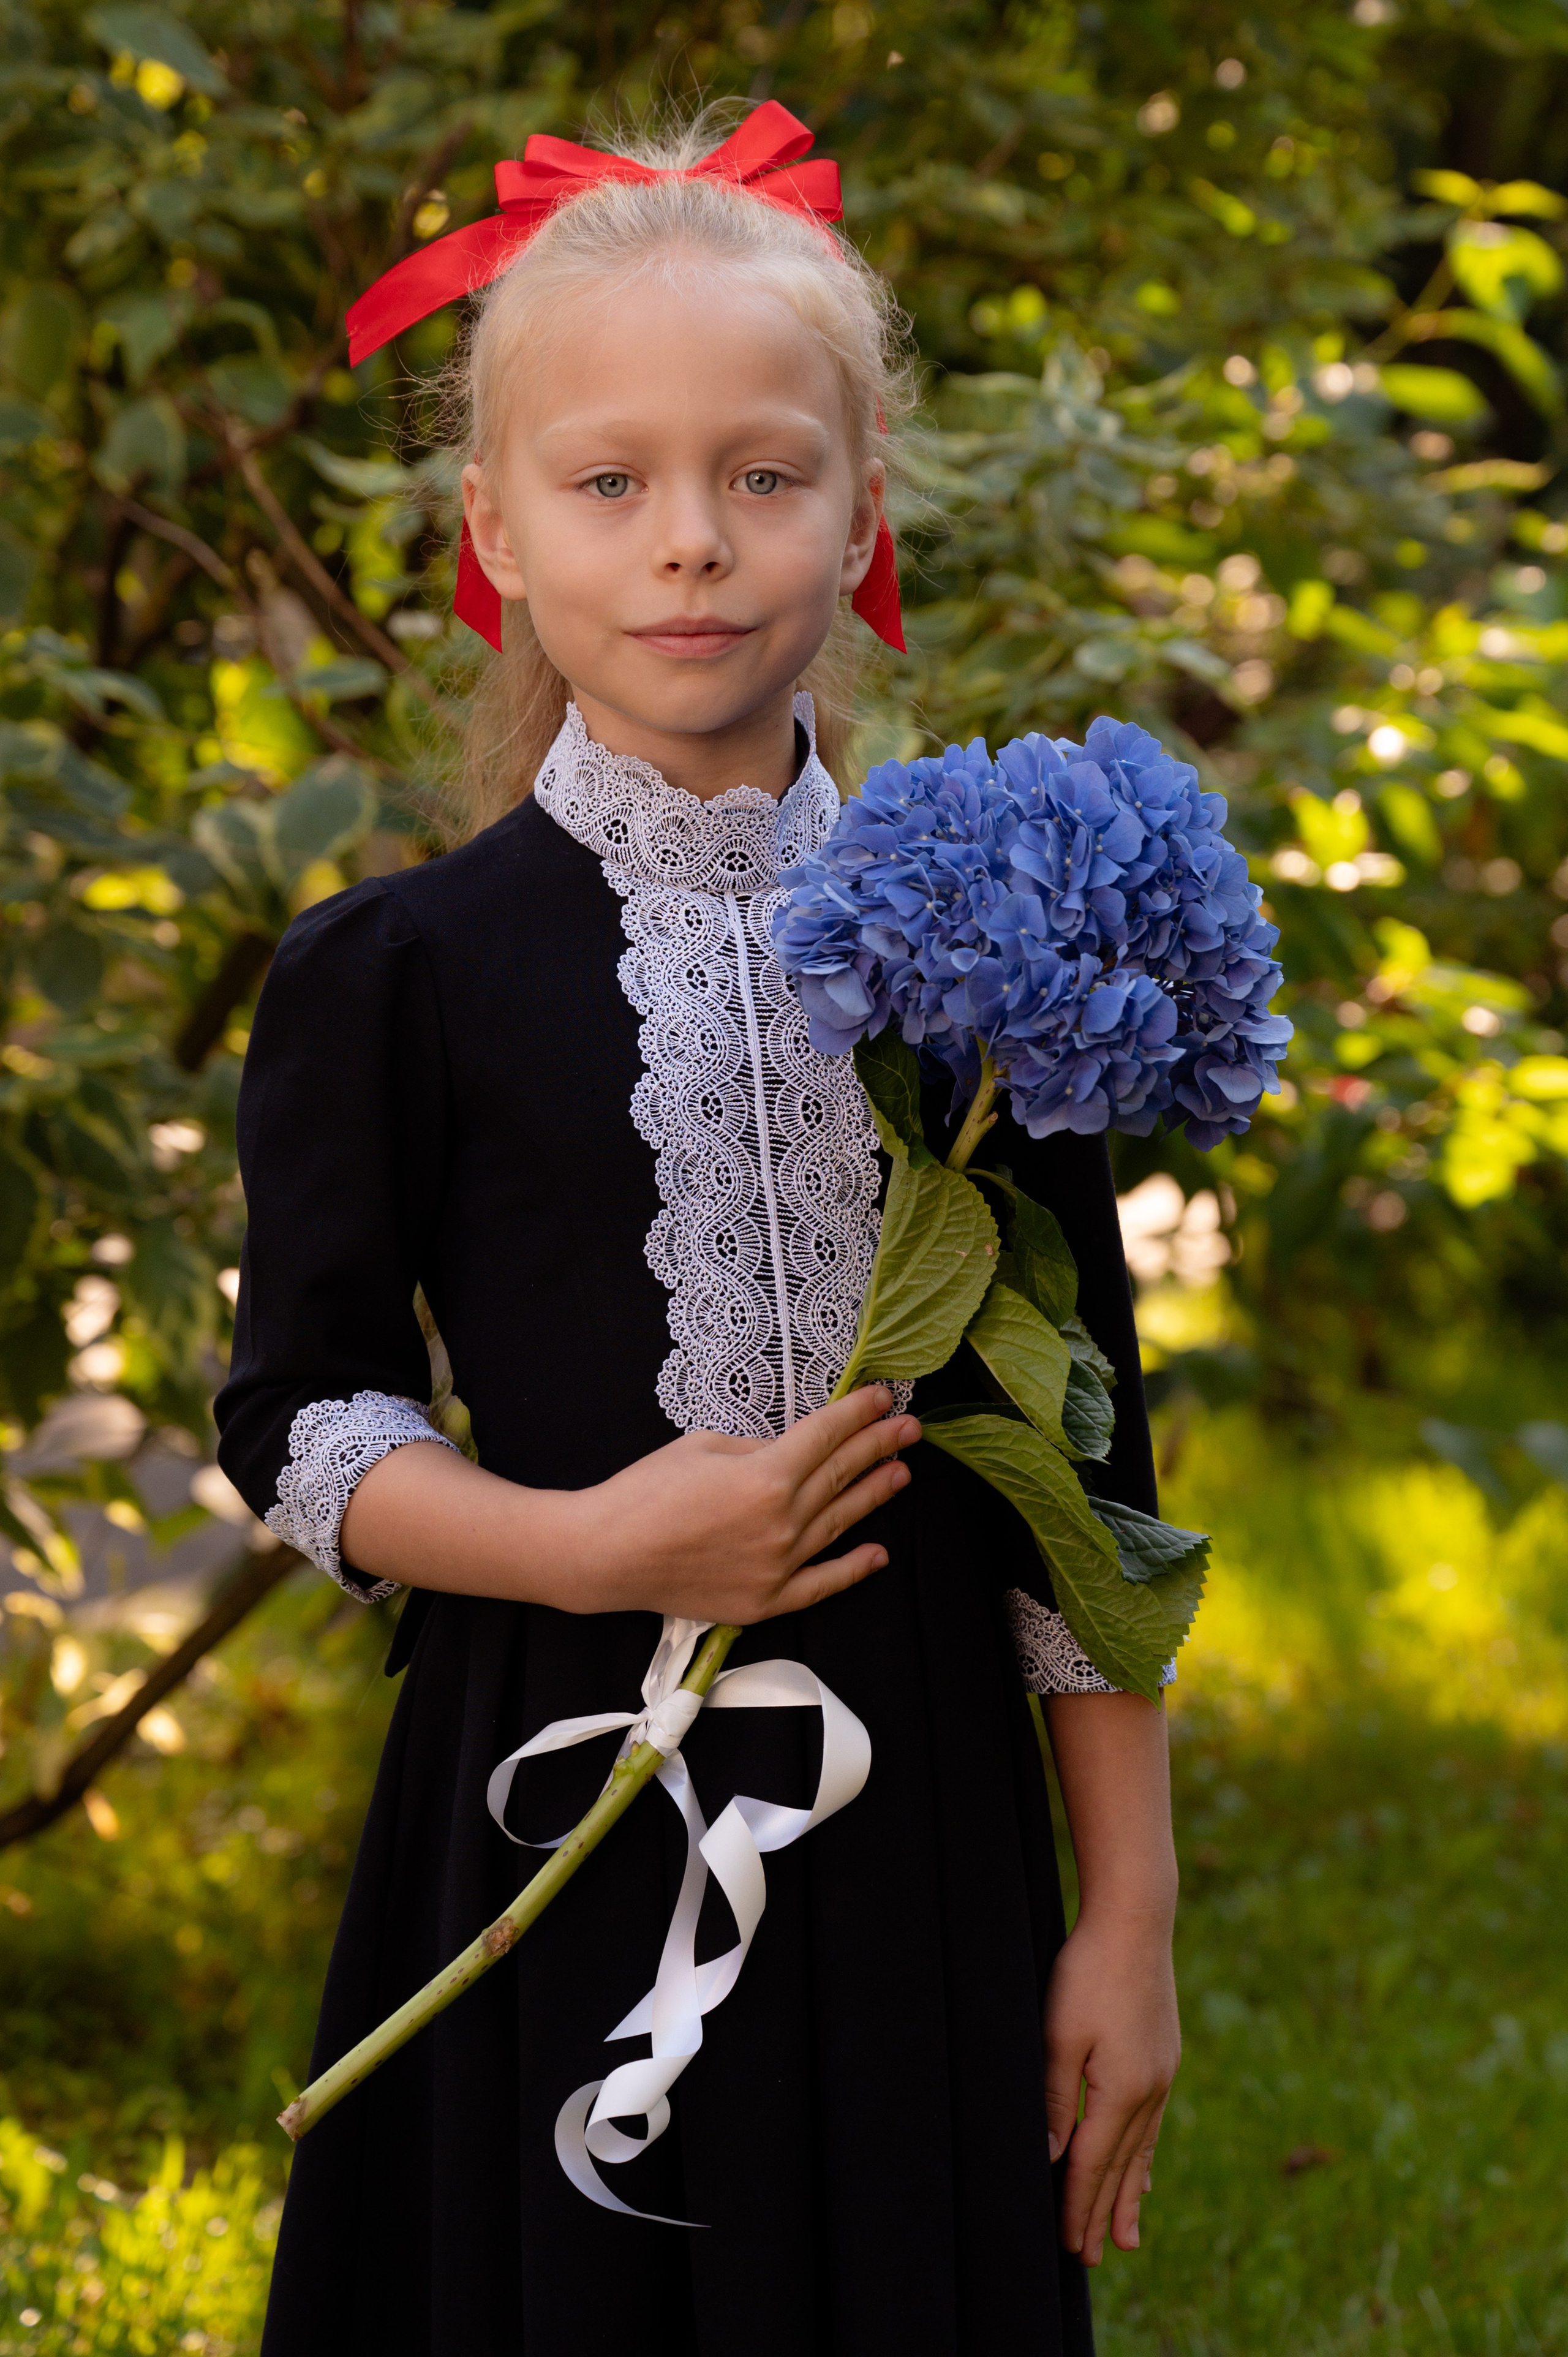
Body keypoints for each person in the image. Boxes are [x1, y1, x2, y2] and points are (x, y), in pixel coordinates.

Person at [217, 102, 1181, 2357]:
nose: (691, 544)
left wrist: (1129, 1915)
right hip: (543, 1802)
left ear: (865, 515)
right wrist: (595, 1550)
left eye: (764, 475)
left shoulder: (994, 968)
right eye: (609, 481)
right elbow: (301, 1423)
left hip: (920, 1834)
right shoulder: (397, 975)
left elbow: (1092, 1477)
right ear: (494, 525)